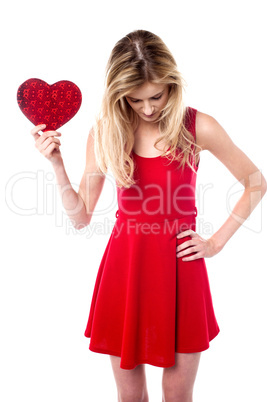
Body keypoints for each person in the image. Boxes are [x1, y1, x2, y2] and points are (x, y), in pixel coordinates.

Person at [31, 30, 266, 402]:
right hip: (125, 269)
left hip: (180, 268)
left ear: (172, 85)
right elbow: (80, 217)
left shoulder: (197, 126)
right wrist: (56, 163)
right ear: (118, 93)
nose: (148, 108)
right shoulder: (106, 132)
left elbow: (255, 182)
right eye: (135, 99)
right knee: (130, 396)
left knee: (177, 394)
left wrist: (215, 242)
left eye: (156, 96)